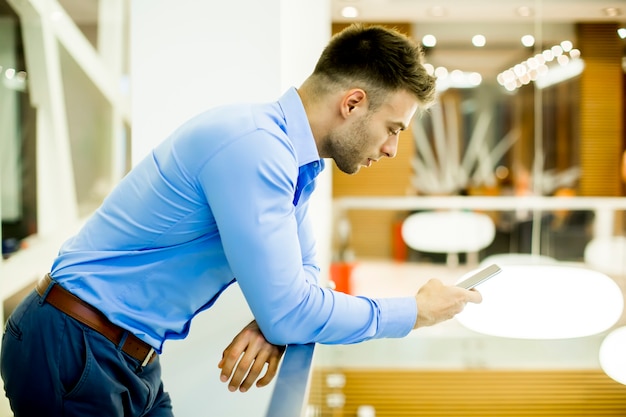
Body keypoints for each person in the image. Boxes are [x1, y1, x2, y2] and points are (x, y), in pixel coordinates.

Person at [0, 23, 482, 416]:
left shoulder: (294, 162)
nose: (393, 149)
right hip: (75, 346)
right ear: (353, 103)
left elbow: (303, 280)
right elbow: (292, 306)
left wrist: (276, 322)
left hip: (124, 355)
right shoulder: (255, 148)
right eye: (392, 129)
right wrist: (413, 312)